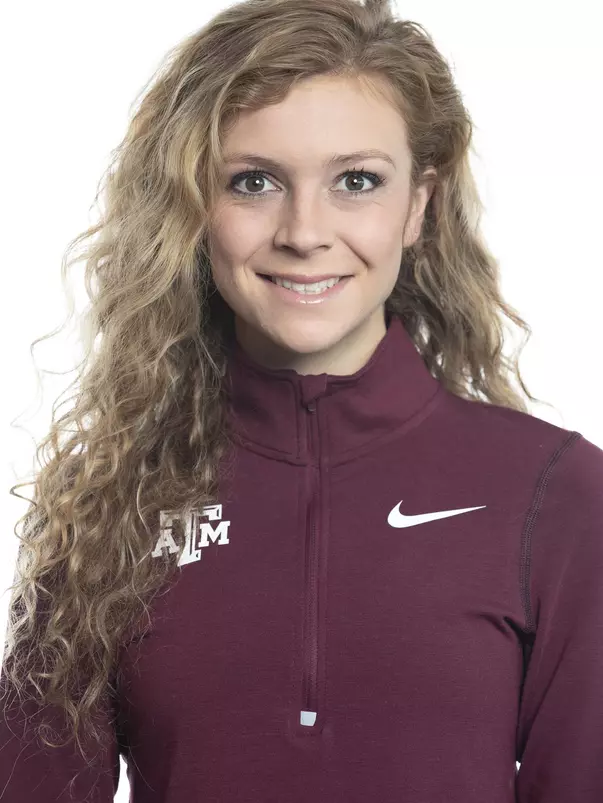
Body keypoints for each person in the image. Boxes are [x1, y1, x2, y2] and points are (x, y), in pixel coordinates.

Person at [1, 0, 602, 800]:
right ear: (193, 207)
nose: (304, 232)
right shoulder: (110, 500)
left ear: (417, 205)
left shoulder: (553, 493)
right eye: (253, 182)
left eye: (356, 181)